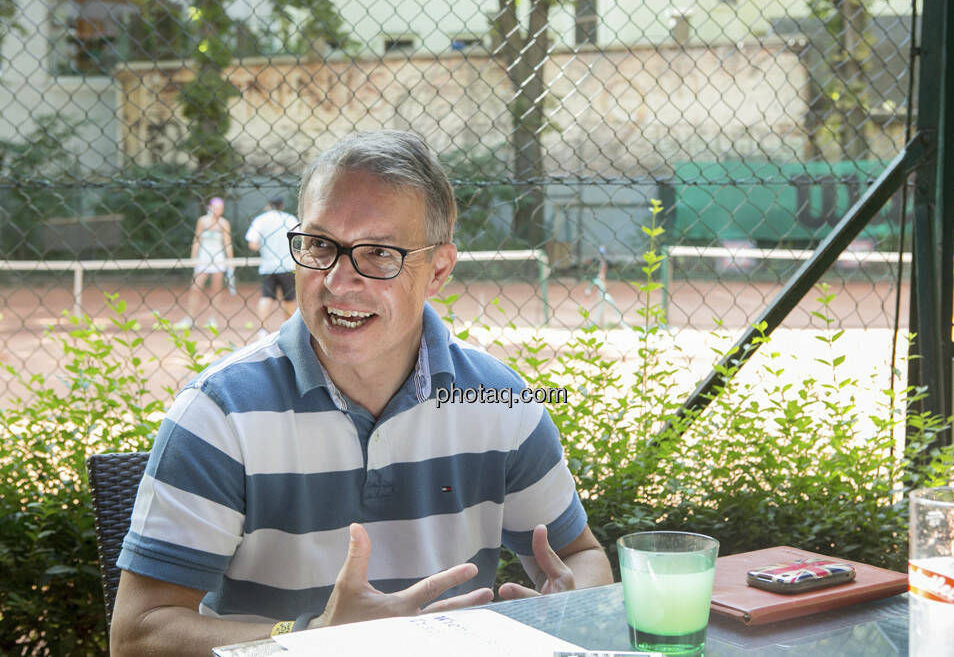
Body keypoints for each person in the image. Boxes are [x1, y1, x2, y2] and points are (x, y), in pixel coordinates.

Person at [110, 130, 613, 655]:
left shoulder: (500, 401)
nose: (337, 281)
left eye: (378, 253)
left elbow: (580, 556)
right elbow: (137, 635)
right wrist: (309, 639)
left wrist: (572, 603)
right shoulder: (220, 413)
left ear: (438, 269)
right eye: (321, 245)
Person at [245, 197, 300, 338]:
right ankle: (289, 330)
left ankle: (262, 330)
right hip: (288, 265)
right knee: (289, 298)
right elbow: (299, 240)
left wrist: (265, 248)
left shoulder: (261, 219)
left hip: (268, 266)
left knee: (266, 296)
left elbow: (252, 243)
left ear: (269, 205)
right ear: (282, 206)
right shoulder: (290, 219)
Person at [177, 196, 234, 329]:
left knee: (216, 290)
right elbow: (197, 240)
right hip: (203, 259)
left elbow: (227, 243)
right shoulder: (202, 221)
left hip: (219, 259)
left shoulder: (224, 223)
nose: (218, 210)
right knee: (195, 288)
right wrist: (194, 258)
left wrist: (230, 261)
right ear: (210, 207)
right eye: (216, 208)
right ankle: (190, 319)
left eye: (220, 208)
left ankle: (212, 319)